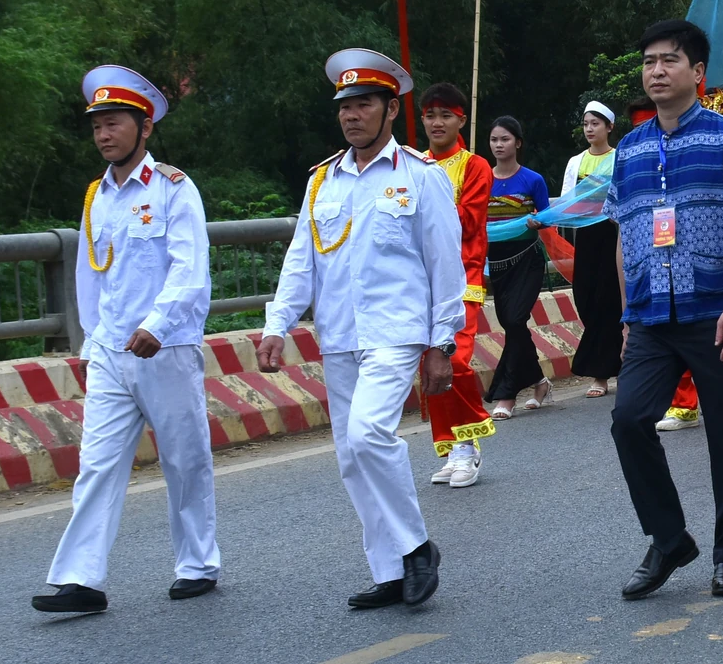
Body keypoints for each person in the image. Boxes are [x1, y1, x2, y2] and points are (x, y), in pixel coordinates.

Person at [261, 48, 460, 609]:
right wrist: (278, 323)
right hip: (340, 335)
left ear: (390, 110)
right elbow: (302, 259)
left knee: (369, 434)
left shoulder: (421, 176)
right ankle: (391, 571)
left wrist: (442, 342)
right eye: (345, 106)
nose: (352, 115)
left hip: (397, 333)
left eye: (364, 104)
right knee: (352, 456)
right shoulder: (323, 181)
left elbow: (445, 265)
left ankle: (418, 547)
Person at [34, 66, 218, 615]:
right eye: (98, 126)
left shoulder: (174, 190)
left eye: (115, 124)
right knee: (98, 463)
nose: (104, 135)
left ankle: (197, 563)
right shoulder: (98, 196)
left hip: (166, 347)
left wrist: (156, 326)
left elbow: (191, 270)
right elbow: (92, 280)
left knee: (184, 461)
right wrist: (92, 346)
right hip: (113, 352)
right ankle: (79, 580)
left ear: (145, 129)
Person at [607, 19, 723, 601]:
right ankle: (669, 538)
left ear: (698, 73)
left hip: (717, 310)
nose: (657, 70)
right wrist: (628, 317)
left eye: (669, 61)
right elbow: (623, 237)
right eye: (649, 61)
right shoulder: (627, 150)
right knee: (629, 420)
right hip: (652, 317)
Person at [415, 84, 496, 489]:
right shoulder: (411, 165)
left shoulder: (475, 165)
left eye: (445, 115)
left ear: (461, 119)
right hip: (420, 285)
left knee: (456, 361)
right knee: (429, 368)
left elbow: (466, 222)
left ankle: (469, 444)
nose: (437, 122)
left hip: (463, 279)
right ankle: (449, 447)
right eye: (430, 115)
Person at [482, 116, 554, 418]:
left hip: (526, 258)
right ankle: (539, 381)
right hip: (496, 261)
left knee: (514, 320)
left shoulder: (532, 179)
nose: (499, 145)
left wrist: (539, 220)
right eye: (495, 140)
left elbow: (549, 215)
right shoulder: (482, 179)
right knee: (512, 324)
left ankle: (506, 394)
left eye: (505, 139)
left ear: (518, 143)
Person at [565, 101, 625, 398]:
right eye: (587, 124)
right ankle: (612, 363)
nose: (590, 129)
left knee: (609, 300)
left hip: (612, 234)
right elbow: (567, 201)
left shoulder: (619, 158)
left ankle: (602, 374)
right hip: (585, 236)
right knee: (585, 297)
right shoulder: (576, 162)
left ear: (609, 127)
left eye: (596, 124)